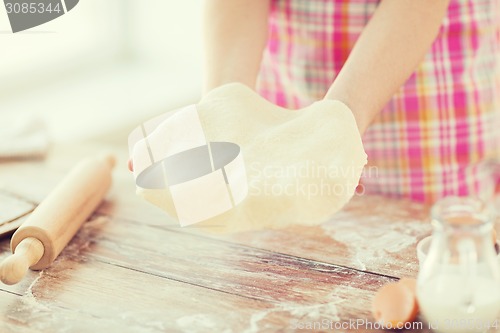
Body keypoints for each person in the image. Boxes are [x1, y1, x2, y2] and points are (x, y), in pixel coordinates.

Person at [202, 0, 500, 204]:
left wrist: (337, 124)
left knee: (428, 265)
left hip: (429, 107)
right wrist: (226, 109)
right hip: (291, 92)